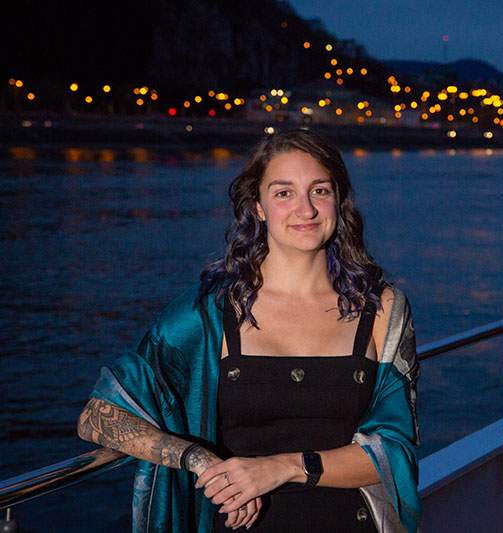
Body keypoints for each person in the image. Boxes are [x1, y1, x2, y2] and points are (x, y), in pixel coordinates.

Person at [77, 129, 421, 532]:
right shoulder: (208, 313)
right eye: (283, 193)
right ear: (257, 206)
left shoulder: (381, 309)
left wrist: (282, 467)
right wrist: (201, 460)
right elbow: (98, 417)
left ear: (339, 200)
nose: (305, 209)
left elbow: (396, 450)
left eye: (320, 190)